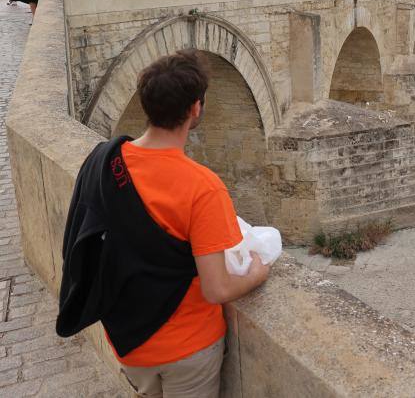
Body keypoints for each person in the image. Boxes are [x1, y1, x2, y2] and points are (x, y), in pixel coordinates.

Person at [56, 50, 270, 398]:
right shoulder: (202, 187)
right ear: (195, 109)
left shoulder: (103, 160)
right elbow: (216, 288)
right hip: (187, 349)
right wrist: (257, 275)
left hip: (129, 344)